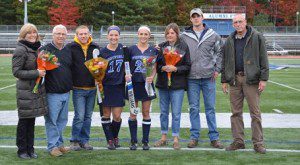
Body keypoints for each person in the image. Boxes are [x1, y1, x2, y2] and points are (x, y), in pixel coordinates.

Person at [221, 14, 269, 154]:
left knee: (255, 113)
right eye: (235, 22)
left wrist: (263, 78)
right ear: (233, 25)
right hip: (235, 80)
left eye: (240, 21)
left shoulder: (257, 36)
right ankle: (238, 141)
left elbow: (263, 58)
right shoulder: (229, 39)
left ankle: (258, 143)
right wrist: (224, 80)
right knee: (235, 113)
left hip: (251, 79)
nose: (238, 24)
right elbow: (225, 61)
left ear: (246, 22)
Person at [181, 8, 223, 149]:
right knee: (193, 108)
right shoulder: (184, 36)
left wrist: (217, 69)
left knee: (210, 108)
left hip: (208, 77)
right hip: (191, 77)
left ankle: (214, 137)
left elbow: (220, 52)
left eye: (198, 16)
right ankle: (194, 137)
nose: (196, 19)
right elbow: (176, 51)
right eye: (193, 17)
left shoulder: (213, 35)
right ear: (191, 19)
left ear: (202, 17)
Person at [12, 23, 48, 159]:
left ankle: (30, 149)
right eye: (29, 33)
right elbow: (16, 72)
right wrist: (36, 72)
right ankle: (22, 150)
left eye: (34, 32)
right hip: (25, 90)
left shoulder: (38, 48)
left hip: (35, 89)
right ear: (23, 35)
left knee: (31, 120)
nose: (32, 35)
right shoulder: (21, 49)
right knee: (24, 120)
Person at [154, 23, 191, 150]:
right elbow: (156, 66)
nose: (170, 35)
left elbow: (187, 66)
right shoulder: (161, 47)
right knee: (163, 112)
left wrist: (175, 68)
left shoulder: (183, 46)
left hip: (177, 85)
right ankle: (163, 137)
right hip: (163, 85)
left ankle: (175, 138)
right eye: (168, 33)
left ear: (177, 34)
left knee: (176, 113)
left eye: (172, 33)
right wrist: (162, 68)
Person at [40, 25, 72, 157]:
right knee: (52, 121)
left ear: (66, 35)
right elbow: (39, 61)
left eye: (63, 34)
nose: (60, 36)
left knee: (62, 120)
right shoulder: (45, 49)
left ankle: (59, 144)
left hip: (66, 92)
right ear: (53, 35)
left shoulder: (68, 49)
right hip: (52, 92)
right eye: (58, 33)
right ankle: (52, 146)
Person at [69, 25, 99, 151]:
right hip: (78, 88)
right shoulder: (70, 47)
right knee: (79, 116)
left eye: (85, 33)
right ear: (76, 35)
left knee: (88, 117)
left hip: (92, 88)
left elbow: (100, 65)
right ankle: (74, 140)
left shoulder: (95, 47)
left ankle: (84, 140)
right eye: (81, 34)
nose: (83, 36)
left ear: (89, 34)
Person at [127, 26, 157, 150]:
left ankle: (145, 141)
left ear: (149, 36)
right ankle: (133, 141)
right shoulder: (131, 49)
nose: (143, 36)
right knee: (133, 113)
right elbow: (126, 65)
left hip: (147, 85)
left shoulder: (153, 50)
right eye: (141, 34)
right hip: (134, 85)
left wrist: (152, 76)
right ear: (138, 34)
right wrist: (127, 75)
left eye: (146, 34)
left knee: (146, 112)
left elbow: (155, 66)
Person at [99, 26, 125, 150]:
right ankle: (110, 140)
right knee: (106, 114)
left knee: (117, 116)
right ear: (107, 36)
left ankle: (114, 136)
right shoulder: (102, 52)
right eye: (111, 35)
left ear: (119, 36)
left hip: (119, 86)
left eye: (116, 35)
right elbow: (97, 70)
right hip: (105, 86)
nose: (113, 37)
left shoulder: (124, 50)